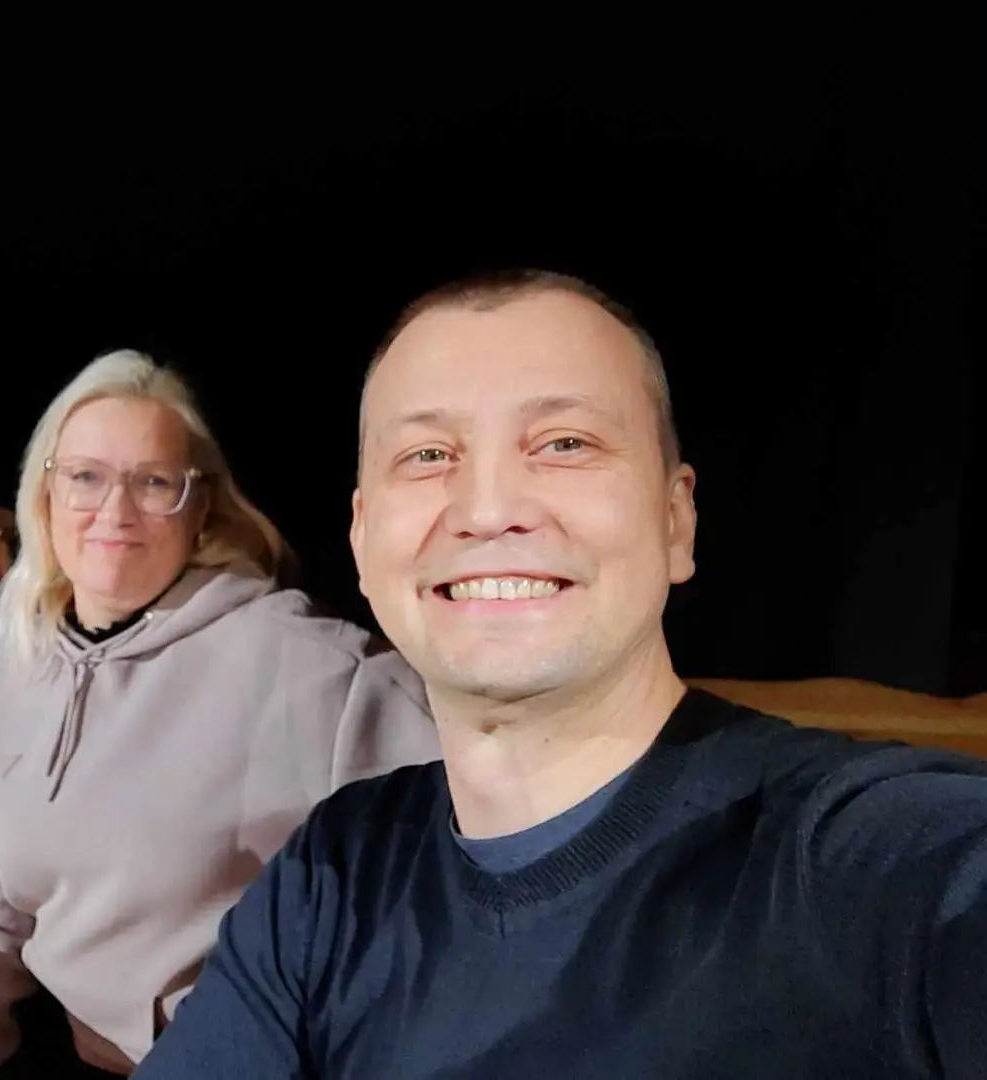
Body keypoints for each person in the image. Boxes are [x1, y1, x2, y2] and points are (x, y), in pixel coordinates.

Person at [135, 270, 987, 1078]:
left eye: (564, 444)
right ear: (361, 540)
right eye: (428, 455)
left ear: (676, 521)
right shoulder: (332, 876)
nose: (487, 510)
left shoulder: (861, 860)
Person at [0, 350, 443, 1078]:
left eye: (153, 482)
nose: (114, 511)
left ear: (200, 506)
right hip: (58, 1043)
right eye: (85, 477)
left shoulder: (312, 669)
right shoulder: (13, 662)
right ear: (44, 495)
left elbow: (456, 888)